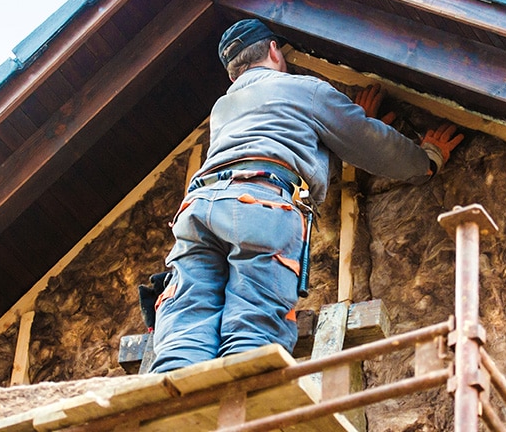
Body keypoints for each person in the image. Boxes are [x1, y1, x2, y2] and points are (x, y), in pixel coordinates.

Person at [149, 18, 463, 373]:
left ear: (233, 75)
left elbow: (277, 140)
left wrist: (342, 127)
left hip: (198, 208)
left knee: (187, 321)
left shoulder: (223, 108)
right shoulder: (306, 90)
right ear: (273, 49)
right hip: (260, 205)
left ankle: (171, 408)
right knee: (253, 324)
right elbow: (368, 143)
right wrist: (427, 160)